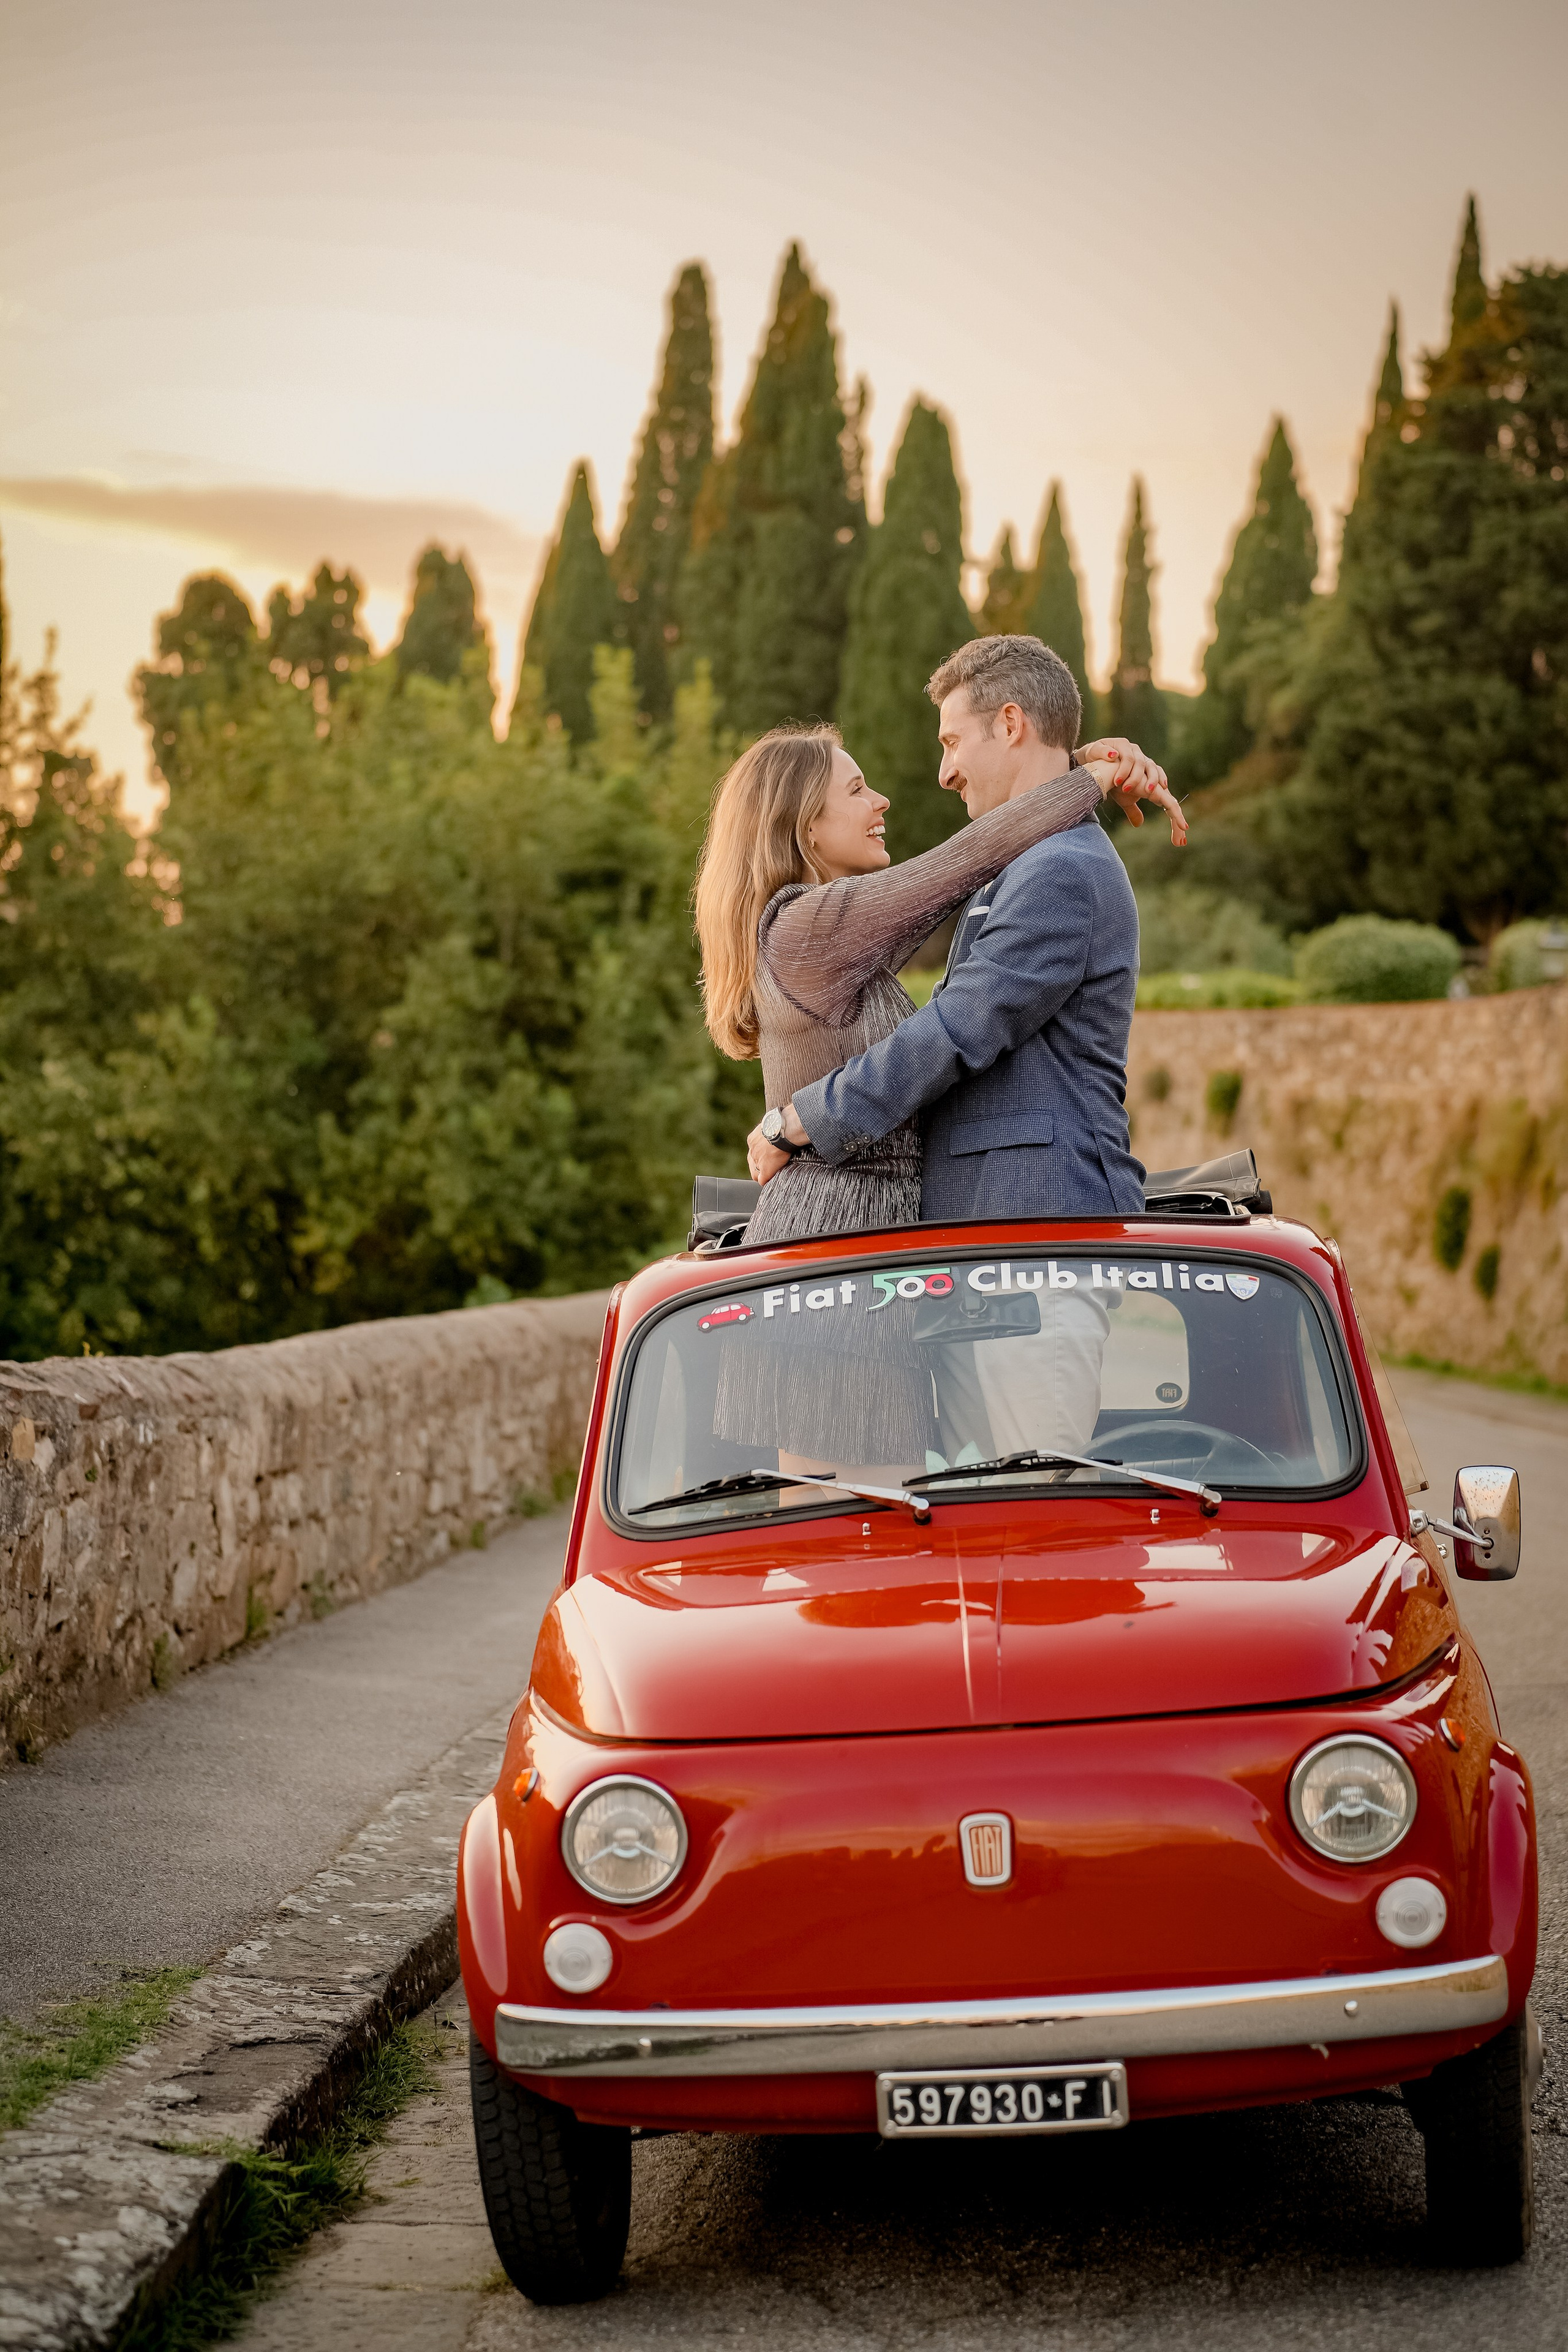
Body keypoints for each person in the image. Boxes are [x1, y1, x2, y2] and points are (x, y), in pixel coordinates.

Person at [692, 664, 1183, 1471]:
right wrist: (1086, 773)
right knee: (843, 1531)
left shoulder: (1051, 872)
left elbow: (961, 1020)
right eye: (858, 790)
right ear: (804, 826)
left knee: (935, 1528)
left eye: (953, 741)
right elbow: (962, 865)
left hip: (931, 1255)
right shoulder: (814, 926)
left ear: (1014, 724)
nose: (919, 782)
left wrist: (1080, 764)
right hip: (844, 1255)